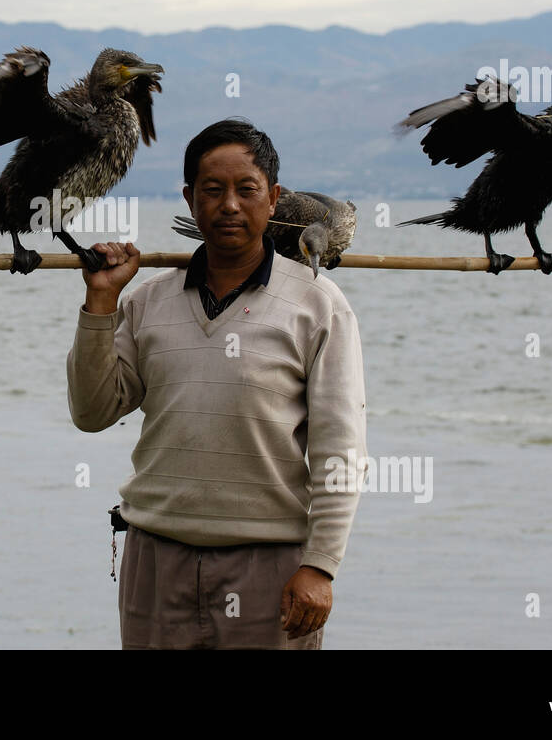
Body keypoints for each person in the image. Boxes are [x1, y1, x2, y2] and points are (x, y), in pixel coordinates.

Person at [66, 119, 368, 650]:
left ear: (273, 200)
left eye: (246, 190)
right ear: (189, 198)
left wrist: (320, 566)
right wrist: (101, 303)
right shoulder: (146, 301)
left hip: (270, 567)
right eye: (212, 190)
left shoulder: (318, 304)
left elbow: (340, 448)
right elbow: (91, 413)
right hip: (156, 560)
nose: (229, 205)